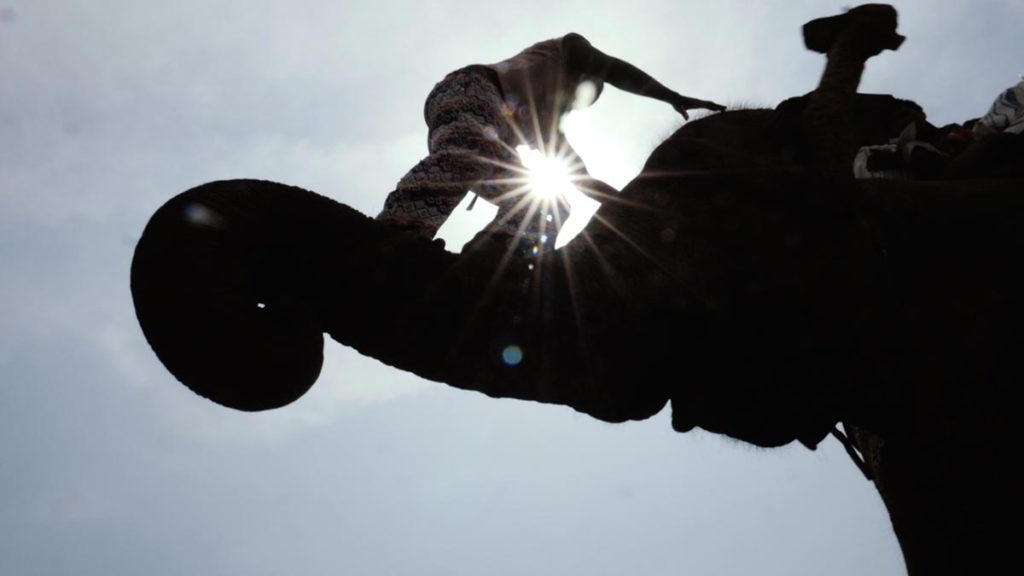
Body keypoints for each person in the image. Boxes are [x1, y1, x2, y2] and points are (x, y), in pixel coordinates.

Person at [377, 33, 725, 248]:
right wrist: (670, 96)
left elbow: (581, 179)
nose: (574, 101)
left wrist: (632, 206)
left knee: (548, 208)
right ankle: (401, 227)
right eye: (584, 89)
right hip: (473, 90)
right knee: (466, 152)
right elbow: (615, 70)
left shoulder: (544, 127)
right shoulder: (562, 51)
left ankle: (489, 263)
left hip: (478, 130)